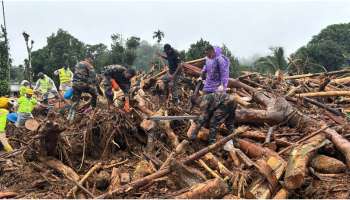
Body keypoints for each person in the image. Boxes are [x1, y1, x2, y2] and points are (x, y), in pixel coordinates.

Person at [67, 56, 99, 121]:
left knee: (75, 101)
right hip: (83, 85)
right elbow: (93, 77)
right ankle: (93, 109)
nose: (92, 61)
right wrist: (95, 84)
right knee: (95, 94)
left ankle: (70, 117)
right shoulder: (89, 65)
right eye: (92, 60)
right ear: (89, 59)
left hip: (75, 84)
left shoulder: (78, 64)